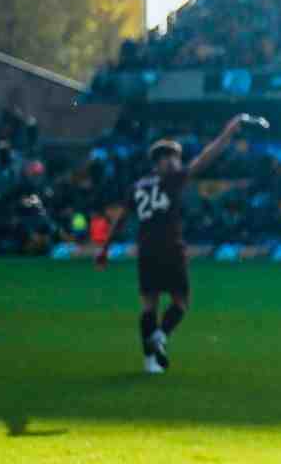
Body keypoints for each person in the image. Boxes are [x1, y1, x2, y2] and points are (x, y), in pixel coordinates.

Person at [97, 114, 254, 374]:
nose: (175, 162)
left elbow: (121, 219)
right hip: (170, 247)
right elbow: (205, 159)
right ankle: (161, 335)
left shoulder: (137, 186)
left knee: (149, 304)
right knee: (181, 302)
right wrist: (227, 133)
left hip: (146, 250)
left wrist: (104, 249)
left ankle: (149, 360)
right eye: (172, 157)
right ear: (162, 162)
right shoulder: (173, 179)